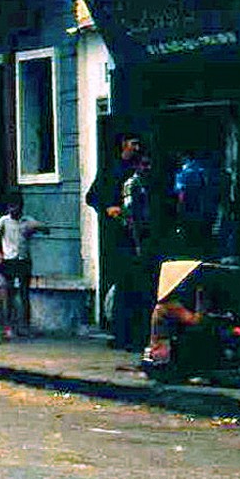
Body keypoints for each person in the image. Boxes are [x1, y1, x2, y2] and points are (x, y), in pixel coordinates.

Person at [86, 134, 151, 351]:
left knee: (137, 284)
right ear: (124, 145)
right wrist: (107, 208)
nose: (137, 147)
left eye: (138, 143)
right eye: (133, 143)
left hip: (136, 233)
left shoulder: (138, 169)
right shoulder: (111, 169)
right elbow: (92, 196)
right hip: (118, 234)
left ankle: (136, 333)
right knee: (123, 284)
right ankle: (121, 333)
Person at [0, 199, 49, 338]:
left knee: (24, 294)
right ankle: (9, 326)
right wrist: (0, 254)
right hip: (9, 259)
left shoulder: (27, 220)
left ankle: (25, 326)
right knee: (9, 294)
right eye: (11, 206)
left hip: (23, 259)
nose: (13, 210)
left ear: (21, 207)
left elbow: (45, 229)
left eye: (16, 206)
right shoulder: (4, 221)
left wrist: (36, 230)